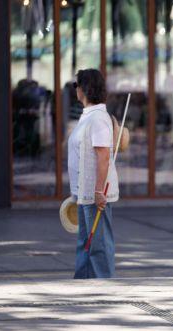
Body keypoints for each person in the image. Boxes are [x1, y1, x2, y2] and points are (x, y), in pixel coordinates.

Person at [68, 69, 119, 279]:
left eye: (76, 85)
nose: (75, 90)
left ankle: (105, 288)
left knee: (97, 244)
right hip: (84, 192)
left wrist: (99, 191)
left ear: (84, 88)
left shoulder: (98, 118)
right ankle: (83, 284)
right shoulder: (88, 116)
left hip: (94, 193)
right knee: (85, 244)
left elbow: (103, 156)